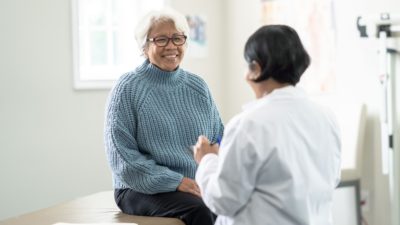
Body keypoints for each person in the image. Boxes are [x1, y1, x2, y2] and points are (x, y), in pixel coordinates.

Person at [193, 24, 341, 225]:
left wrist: (207, 160)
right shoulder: (326, 116)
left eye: (248, 66)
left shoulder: (248, 124)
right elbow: (331, 180)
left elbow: (223, 200)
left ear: (256, 68)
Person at [104, 7, 223, 225]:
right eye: (161, 39)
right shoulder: (128, 88)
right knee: (202, 209)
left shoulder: (198, 86)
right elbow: (123, 160)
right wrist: (176, 181)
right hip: (138, 188)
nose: (171, 46)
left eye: (177, 38)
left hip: (196, 183)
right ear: (144, 47)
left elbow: (218, 139)